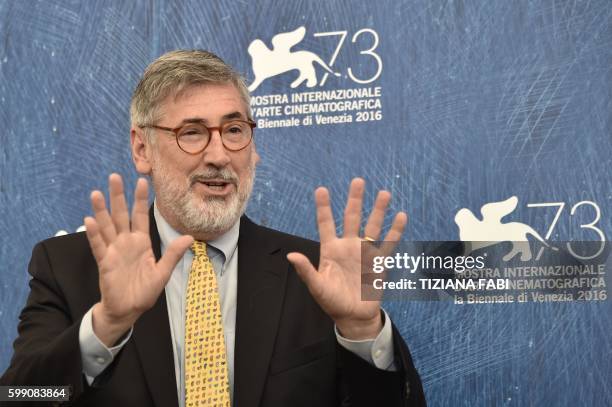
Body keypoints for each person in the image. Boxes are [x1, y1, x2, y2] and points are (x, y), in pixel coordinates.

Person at [0, 50, 426, 406]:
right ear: (142, 148)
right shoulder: (67, 266)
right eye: (193, 133)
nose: (220, 155)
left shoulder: (318, 274)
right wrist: (106, 326)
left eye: (235, 130)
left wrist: (361, 333)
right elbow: (21, 396)